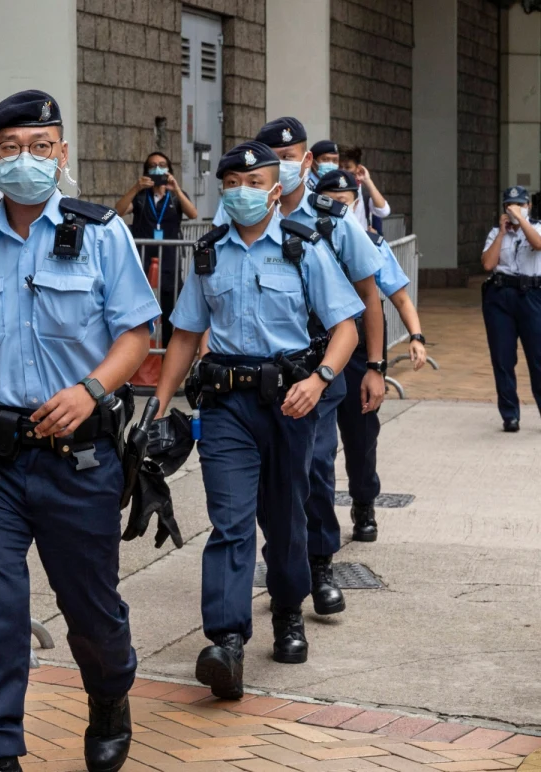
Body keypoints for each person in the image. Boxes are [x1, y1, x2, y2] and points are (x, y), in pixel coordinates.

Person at [0, 90, 159, 772]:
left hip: (78, 459)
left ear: (61, 154)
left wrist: (92, 390)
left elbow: (136, 333)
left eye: (39, 146)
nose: (25, 159)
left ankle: (110, 691)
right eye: (9, 148)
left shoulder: (99, 233)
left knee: (90, 608)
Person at [154, 141, 363, 700]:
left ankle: (289, 612)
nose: (241, 194)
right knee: (229, 520)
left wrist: (319, 380)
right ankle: (225, 641)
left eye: (253, 185)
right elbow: (185, 335)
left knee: (286, 517)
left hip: (290, 404)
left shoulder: (303, 248)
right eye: (232, 185)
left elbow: (346, 327)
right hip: (226, 406)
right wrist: (159, 401)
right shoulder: (210, 253)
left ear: (276, 190)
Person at [253, 118, 385, 617]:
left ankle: (321, 562)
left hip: (323, 364)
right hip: (261, 370)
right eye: (274, 158)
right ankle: (284, 564)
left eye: (291, 158)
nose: (282, 167)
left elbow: (368, 295)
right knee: (270, 475)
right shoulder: (245, 217)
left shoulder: (333, 218)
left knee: (313, 465)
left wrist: (374, 365)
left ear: (307, 162)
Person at [322, 170, 428, 540]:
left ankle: (364, 503)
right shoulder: (305, 240)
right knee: (314, 445)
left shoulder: (371, 243)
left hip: (359, 352)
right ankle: (315, 523)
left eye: (344, 199)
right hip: (316, 348)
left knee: (361, 437)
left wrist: (414, 336)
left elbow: (398, 296)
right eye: (330, 198)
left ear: (355, 202)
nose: (338, 205)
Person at [115, 151, 198, 345]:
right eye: (153, 166)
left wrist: (176, 189)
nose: (157, 169)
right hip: (143, 256)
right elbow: (117, 211)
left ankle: (167, 350)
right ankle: (137, 348)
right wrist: (135, 188)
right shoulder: (142, 197)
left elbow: (193, 213)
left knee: (170, 302)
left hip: (169, 256)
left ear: (169, 169)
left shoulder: (176, 196)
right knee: (139, 300)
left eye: (162, 165)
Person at [480, 186, 541, 432]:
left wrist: (523, 221)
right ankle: (510, 414)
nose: (515, 209)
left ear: (528, 206)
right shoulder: (496, 232)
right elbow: (487, 263)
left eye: (520, 205)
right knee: (503, 357)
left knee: (538, 358)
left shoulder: (536, 227)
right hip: (500, 296)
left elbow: (538, 245)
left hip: (532, 295)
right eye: (510, 205)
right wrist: (502, 233)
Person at [339, 147, 391, 233]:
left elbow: (384, 211)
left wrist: (367, 180)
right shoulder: (329, 190)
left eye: (347, 167)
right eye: (339, 167)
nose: (343, 171)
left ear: (357, 168)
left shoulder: (363, 192)